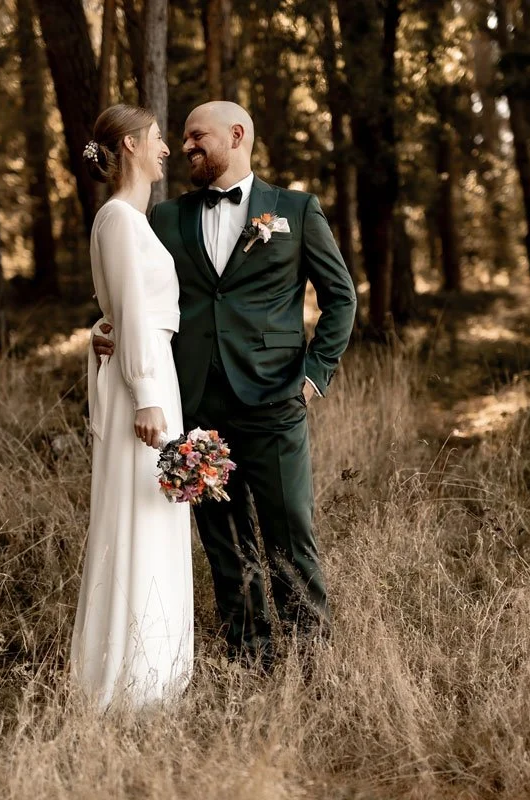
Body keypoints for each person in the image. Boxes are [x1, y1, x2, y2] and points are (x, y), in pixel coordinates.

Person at [93, 101, 357, 669]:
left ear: (236, 136)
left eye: (197, 137)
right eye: (181, 138)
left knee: (292, 534)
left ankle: (309, 660)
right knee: (223, 543)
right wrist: (103, 330)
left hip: (274, 401)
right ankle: (249, 656)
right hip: (196, 405)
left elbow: (341, 298)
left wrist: (314, 376)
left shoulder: (295, 210)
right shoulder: (164, 219)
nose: (186, 147)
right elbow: (132, 293)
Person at [71, 104, 192, 709]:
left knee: (157, 511)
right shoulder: (118, 219)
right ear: (128, 147)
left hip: (151, 373)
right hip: (144, 386)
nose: (166, 148)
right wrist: (145, 393)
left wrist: (106, 331)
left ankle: (157, 675)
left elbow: (122, 312)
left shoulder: (128, 222)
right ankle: (128, 681)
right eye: (156, 138)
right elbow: (133, 314)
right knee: (138, 514)